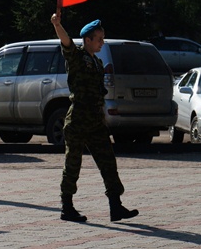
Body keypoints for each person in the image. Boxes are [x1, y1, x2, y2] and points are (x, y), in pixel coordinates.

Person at [50, 14, 139, 223]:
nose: (102, 42)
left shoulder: (97, 62)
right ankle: (67, 207)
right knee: (73, 163)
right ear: (87, 40)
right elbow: (66, 42)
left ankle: (115, 207)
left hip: (95, 121)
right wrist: (57, 24)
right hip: (78, 119)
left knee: (108, 162)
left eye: (102, 38)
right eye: (98, 39)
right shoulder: (77, 57)